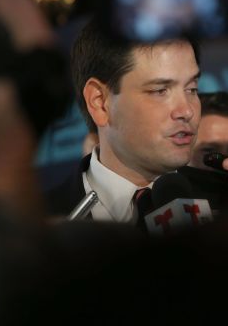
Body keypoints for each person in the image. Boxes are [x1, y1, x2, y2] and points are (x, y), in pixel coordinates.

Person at [45, 23, 201, 222]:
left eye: (192, 89)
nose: (186, 111)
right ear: (100, 103)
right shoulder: (36, 230)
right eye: (160, 91)